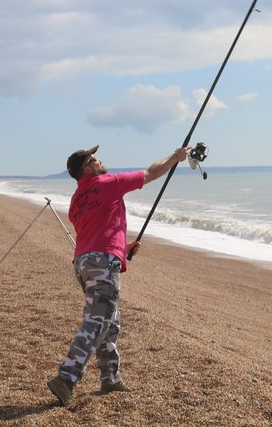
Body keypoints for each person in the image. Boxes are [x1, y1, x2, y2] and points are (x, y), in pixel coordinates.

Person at [47, 143, 190, 407]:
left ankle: (110, 378)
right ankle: (66, 378)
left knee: (109, 322)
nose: (100, 160)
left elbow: (94, 233)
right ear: (87, 168)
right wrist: (175, 157)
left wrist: (122, 249)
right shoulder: (108, 182)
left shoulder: (76, 201)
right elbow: (148, 173)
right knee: (96, 322)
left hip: (84, 262)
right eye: (95, 158)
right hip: (102, 264)